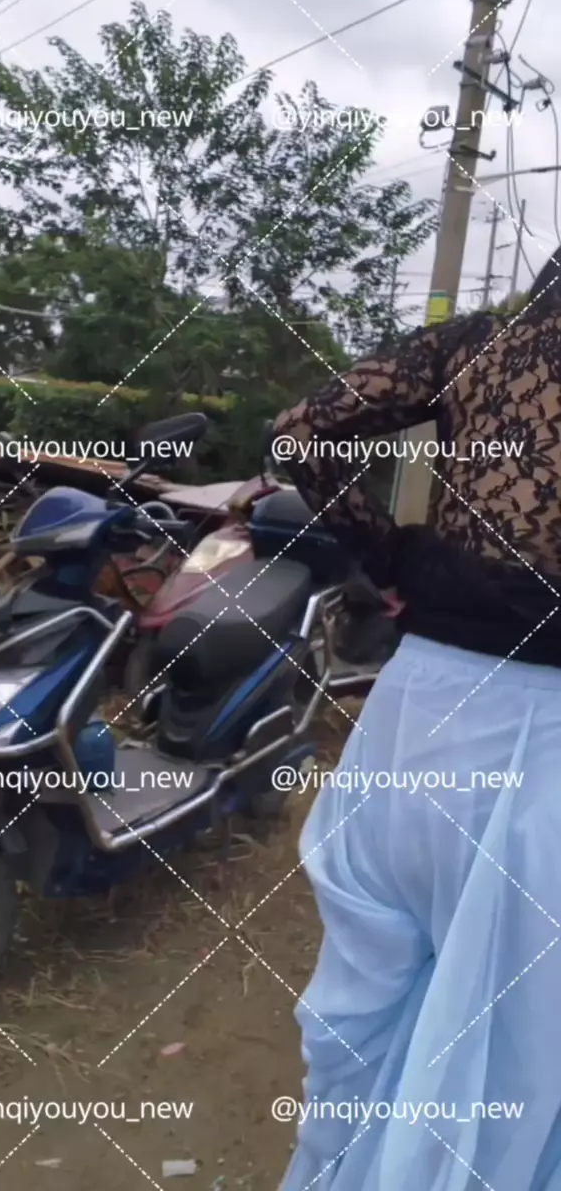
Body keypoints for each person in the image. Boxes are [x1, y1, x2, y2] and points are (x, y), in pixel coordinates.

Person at [274, 252, 561, 1191]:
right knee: (506, 1061)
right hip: (544, 750)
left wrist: (394, 556)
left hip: (415, 718)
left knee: (369, 1000)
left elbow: (301, 432)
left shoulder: (476, 348)